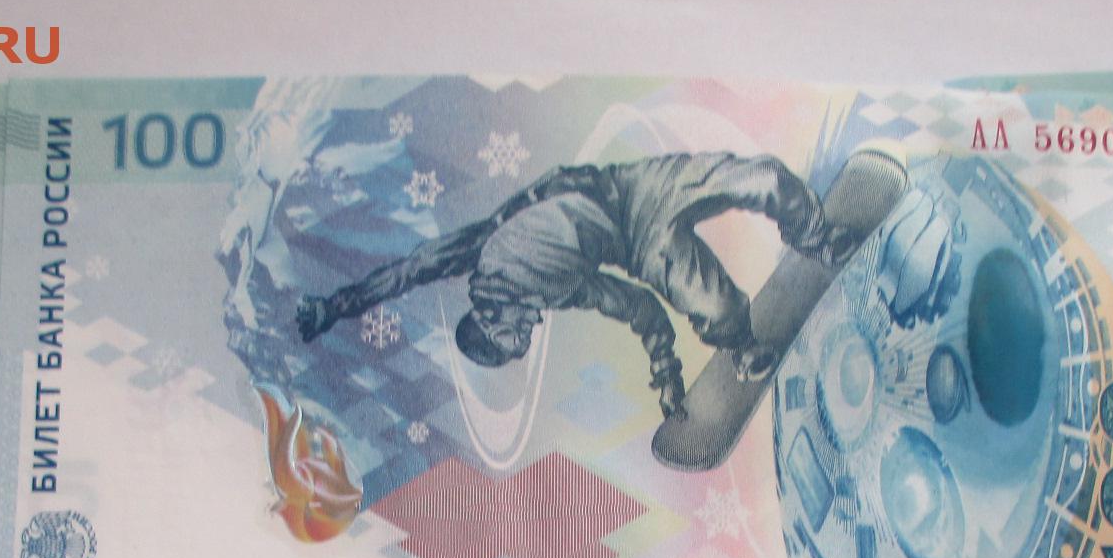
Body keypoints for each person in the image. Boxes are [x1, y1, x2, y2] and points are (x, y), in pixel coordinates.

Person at [296, 152, 861, 419]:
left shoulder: (487, 252)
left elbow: (409, 269)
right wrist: (667, 376)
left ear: (489, 321)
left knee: (765, 178)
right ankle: (742, 346)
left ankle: (816, 237)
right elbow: (639, 307)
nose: (528, 336)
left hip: (634, 186)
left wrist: (333, 307)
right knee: (718, 308)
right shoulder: (559, 292)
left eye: (514, 340)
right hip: (641, 243)